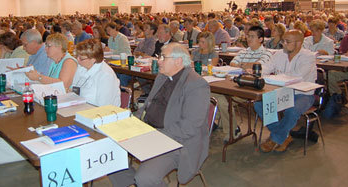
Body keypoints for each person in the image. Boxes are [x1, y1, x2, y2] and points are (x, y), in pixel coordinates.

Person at [108, 43, 210, 187]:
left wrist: (153, 135)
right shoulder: (162, 77)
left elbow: (189, 127)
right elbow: (147, 107)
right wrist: (129, 122)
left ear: (178, 61)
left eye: (163, 57)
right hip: (150, 132)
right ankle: (130, 183)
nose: (158, 61)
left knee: (145, 178)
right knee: (107, 154)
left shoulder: (196, 85)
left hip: (176, 142)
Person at [255, 30, 317, 152]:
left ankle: (276, 138)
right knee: (259, 104)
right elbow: (267, 68)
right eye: (283, 40)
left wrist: (272, 78)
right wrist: (256, 71)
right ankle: (284, 136)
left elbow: (296, 77)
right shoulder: (279, 54)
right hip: (282, 92)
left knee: (292, 110)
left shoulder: (308, 57)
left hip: (302, 94)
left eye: (287, 41)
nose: (283, 44)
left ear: (299, 43)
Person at [215, 26, 272, 141]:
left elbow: (258, 66)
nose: (248, 39)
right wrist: (247, 65)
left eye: (252, 36)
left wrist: (243, 64)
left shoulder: (267, 53)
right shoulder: (244, 51)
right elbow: (232, 63)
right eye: (248, 36)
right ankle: (231, 127)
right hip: (237, 84)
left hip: (252, 88)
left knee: (224, 101)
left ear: (261, 39)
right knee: (214, 96)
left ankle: (231, 130)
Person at [72, 39, 121, 107]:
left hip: (100, 114)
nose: (77, 60)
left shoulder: (105, 75)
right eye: (77, 56)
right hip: (80, 108)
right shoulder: (82, 67)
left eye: (81, 58)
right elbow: (74, 88)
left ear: (93, 60)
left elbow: (103, 107)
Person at [327, 18, 348, 116]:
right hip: (346, 67)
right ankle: (340, 97)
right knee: (330, 74)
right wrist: (345, 54)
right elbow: (340, 53)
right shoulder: (346, 39)